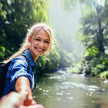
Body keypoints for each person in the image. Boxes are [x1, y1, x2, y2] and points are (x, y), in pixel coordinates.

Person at [0, 23, 53, 106]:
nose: (41, 45)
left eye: (46, 41)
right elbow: (20, 73)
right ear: (29, 39)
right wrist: (24, 92)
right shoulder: (20, 60)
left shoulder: (32, 64)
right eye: (38, 39)